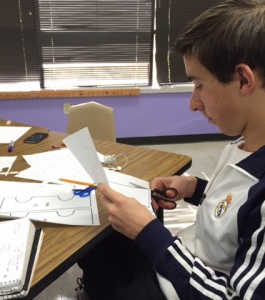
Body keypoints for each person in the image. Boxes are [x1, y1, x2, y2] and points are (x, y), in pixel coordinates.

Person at [76, 0, 265, 299]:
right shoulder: (245, 143)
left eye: (199, 85)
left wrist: (150, 234)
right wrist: (194, 188)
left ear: (243, 80)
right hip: (192, 254)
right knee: (103, 240)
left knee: (128, 234)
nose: (193, 103)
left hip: (193, 286)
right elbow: (239, 207)